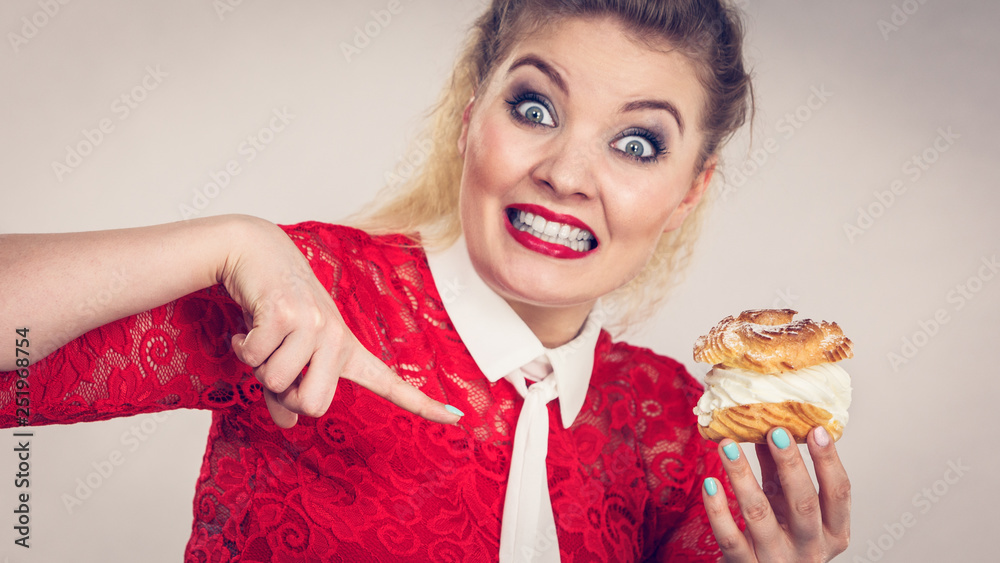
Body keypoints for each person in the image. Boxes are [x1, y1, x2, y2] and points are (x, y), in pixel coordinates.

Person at [1, 0, 851, 561]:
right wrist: (229, 242)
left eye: (636, 144)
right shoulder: (306, 299)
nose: (564, 171)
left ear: (687, 192)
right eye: (534, 107)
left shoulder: (676, 427)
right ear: (469, 120)